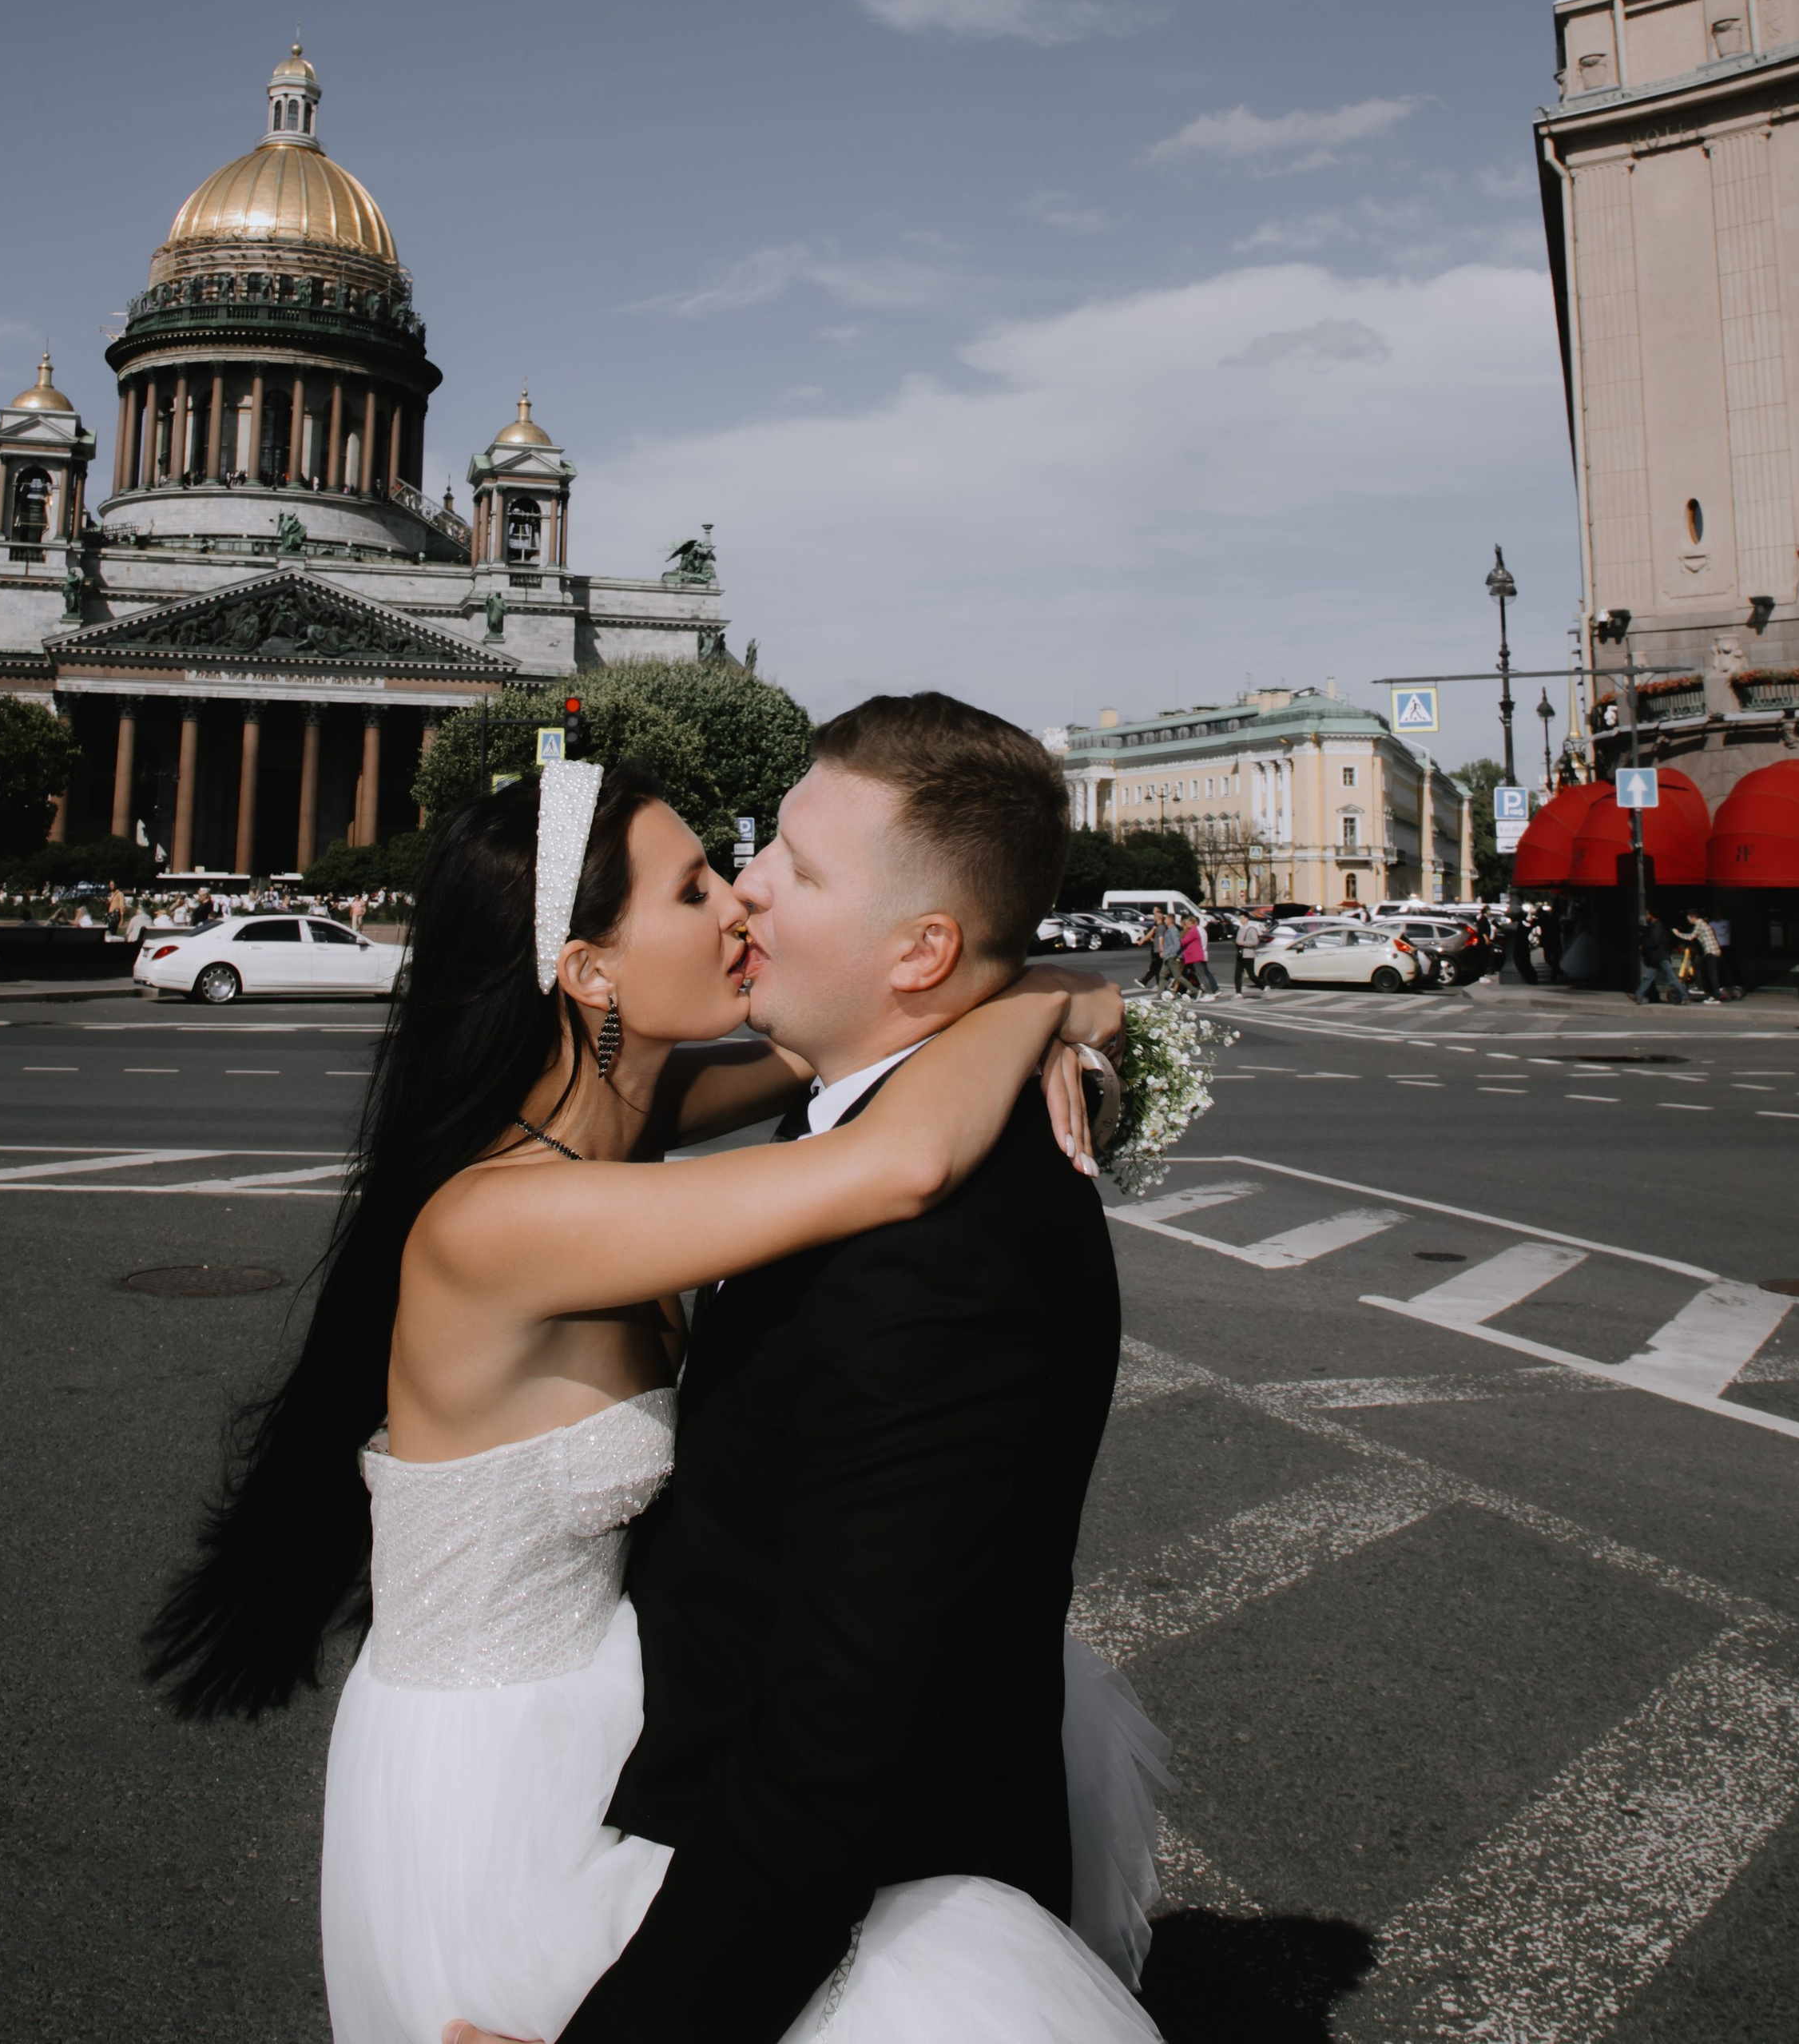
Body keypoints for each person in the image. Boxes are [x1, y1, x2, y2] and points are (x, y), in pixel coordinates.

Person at [147, 711, 1159, 2044]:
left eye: (756, 868)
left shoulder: (650, 1108)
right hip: (499, 1783)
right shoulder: (498, 1221)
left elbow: (867, 1062)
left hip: (635, 1726)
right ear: (589, 972)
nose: (738, 898)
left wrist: (1061, 992)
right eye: (696, 887)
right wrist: (1041, 995)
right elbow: (894, 1157)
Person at [1633, 912, 1684, 1005]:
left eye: (1647, 914)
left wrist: (1644, 945)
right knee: (1649, 978)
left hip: (1661, 956)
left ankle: (1685, 996)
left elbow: (1655, 941)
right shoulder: (1655, 926)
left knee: (1671, 977)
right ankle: (1638, 996)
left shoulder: (1657, 926)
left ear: (1652, 915)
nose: (1646, 916)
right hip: (1657, 957)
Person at [1177, 907, 1216, 997]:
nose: (1186, 925)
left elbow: (1184, 941)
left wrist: (1180, 938)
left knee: (1201, 975)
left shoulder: (1194, 931)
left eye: (1187, 923)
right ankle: (1197, 990)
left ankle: (1209, 993)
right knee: (1197, 974)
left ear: (1192, 923)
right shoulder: (1194, 930)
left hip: (1195, 957)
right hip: (1192, 957)